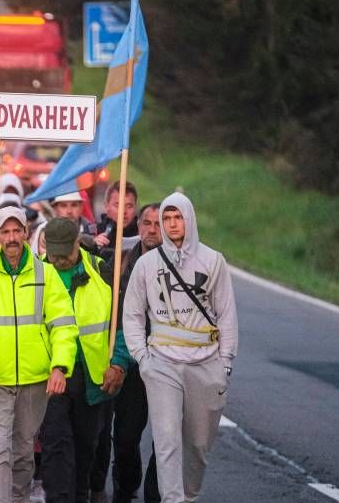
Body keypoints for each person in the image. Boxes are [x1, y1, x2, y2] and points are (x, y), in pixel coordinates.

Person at [0, 206, 78, 503]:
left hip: (36, 381)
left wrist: (60, 366)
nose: (11, 237)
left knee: (23, 451)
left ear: (26, 232)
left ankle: (19, 498)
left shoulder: (45, 274)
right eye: (5, 231)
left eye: (16, 230)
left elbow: (63, 325)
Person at [122, 193, 238, 503]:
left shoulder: (214, 261)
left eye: (178, 218)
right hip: (161, 362)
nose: (173, 224)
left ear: (189, 219)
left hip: (206, 363)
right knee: (167, 439)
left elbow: (226, 315)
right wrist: (142, 358)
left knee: (198, 445)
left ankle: (189, 496)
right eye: (167, 219)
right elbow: (132, 314)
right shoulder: (147, 264)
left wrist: (225, 363)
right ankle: (172, 500)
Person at [38, 219, 133, 503]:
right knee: (55, 445)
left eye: (64, 253)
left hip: (93, 378)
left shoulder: (102, 271)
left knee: (85, 447)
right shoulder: (37, 274)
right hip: (51, 375)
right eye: (53, 253)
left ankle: (80, 495)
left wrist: (119, 363)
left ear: (77, 244)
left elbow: (124, 325)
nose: (58, 260)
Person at [93, 203, 162, 503]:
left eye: (158, 224)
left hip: (167, 363)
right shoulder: (122, 262)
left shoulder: (183, 268)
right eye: (146, 223)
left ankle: (155, 493)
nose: (151, 229)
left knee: (167, 439)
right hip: (132, 361)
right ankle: (126, 485)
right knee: (124, 438)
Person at [94, 182, 139, 264]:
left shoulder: (145, 235)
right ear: (106, 206)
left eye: (129, 206)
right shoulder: (93, 232)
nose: (124, 211)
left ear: (135, 208)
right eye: (118, 205)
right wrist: (93, 249)